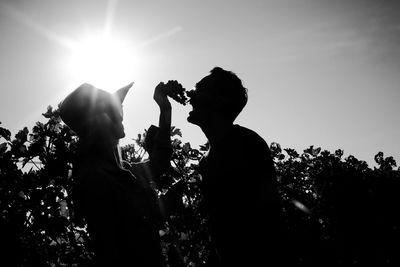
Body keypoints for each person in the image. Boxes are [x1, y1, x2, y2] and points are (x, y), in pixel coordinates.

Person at [59, 82, 172, 266]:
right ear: (96, 121)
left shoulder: (119, 167)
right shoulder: (95, 178)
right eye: (112, 111)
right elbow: (112, 250)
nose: (120, 115)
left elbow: (159, 164)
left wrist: (165, 109)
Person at [186, 67, 286, 266]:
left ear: (220, 100)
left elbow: (268, 220)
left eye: (200, 89)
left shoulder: (246, 145)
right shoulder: (213, 155)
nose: (191, 95)